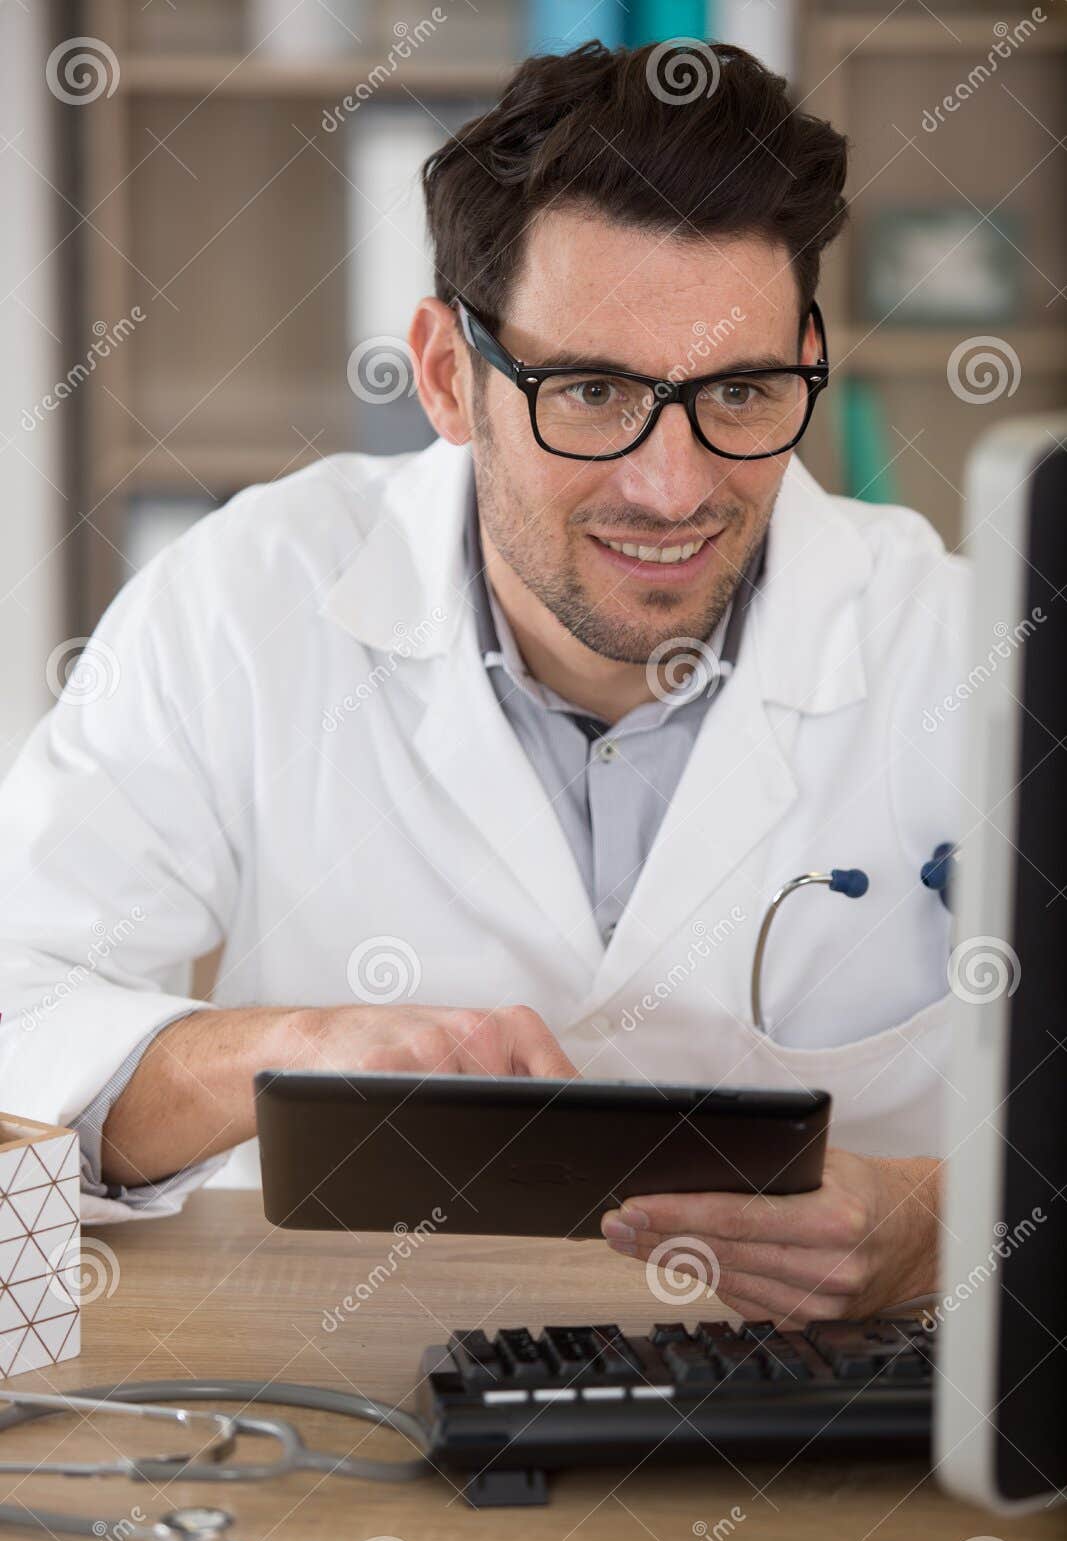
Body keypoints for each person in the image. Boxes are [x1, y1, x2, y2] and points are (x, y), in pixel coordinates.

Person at [0, 41, 966, 1323]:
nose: (670, 486)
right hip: (358, 1412)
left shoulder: (962, 647)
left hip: (825, 1453)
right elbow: (20, 1013)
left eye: (737, 391)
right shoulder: (243, 601)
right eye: (589, 390)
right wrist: (288, 1053)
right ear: (450, 377)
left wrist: (936, 1229)